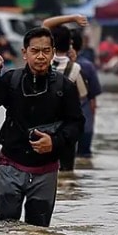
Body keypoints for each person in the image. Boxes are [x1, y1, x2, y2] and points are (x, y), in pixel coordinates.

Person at [0, 27, 86, 227]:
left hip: (46, 170)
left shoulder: (65, 87)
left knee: (39, 233)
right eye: (35, 51)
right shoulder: (11, 80)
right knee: (6, 227)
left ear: (53, 52)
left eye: (46, 51)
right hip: (10, 164)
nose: (41, 56)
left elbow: (77, 124)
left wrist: (54, 142)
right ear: (24, 53)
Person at [49, 26, 87, 173]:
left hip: (41, 124)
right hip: (66, 129)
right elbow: (83, 93)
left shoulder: (41, 63)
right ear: (70, 44)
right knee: (66, 173)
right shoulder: (74, 68)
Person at [71, 29, 103, 161]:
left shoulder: (53, 66)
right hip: (84, 119)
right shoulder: (87, 66)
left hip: (61, 127)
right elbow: (93, 98)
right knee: (84, 158)